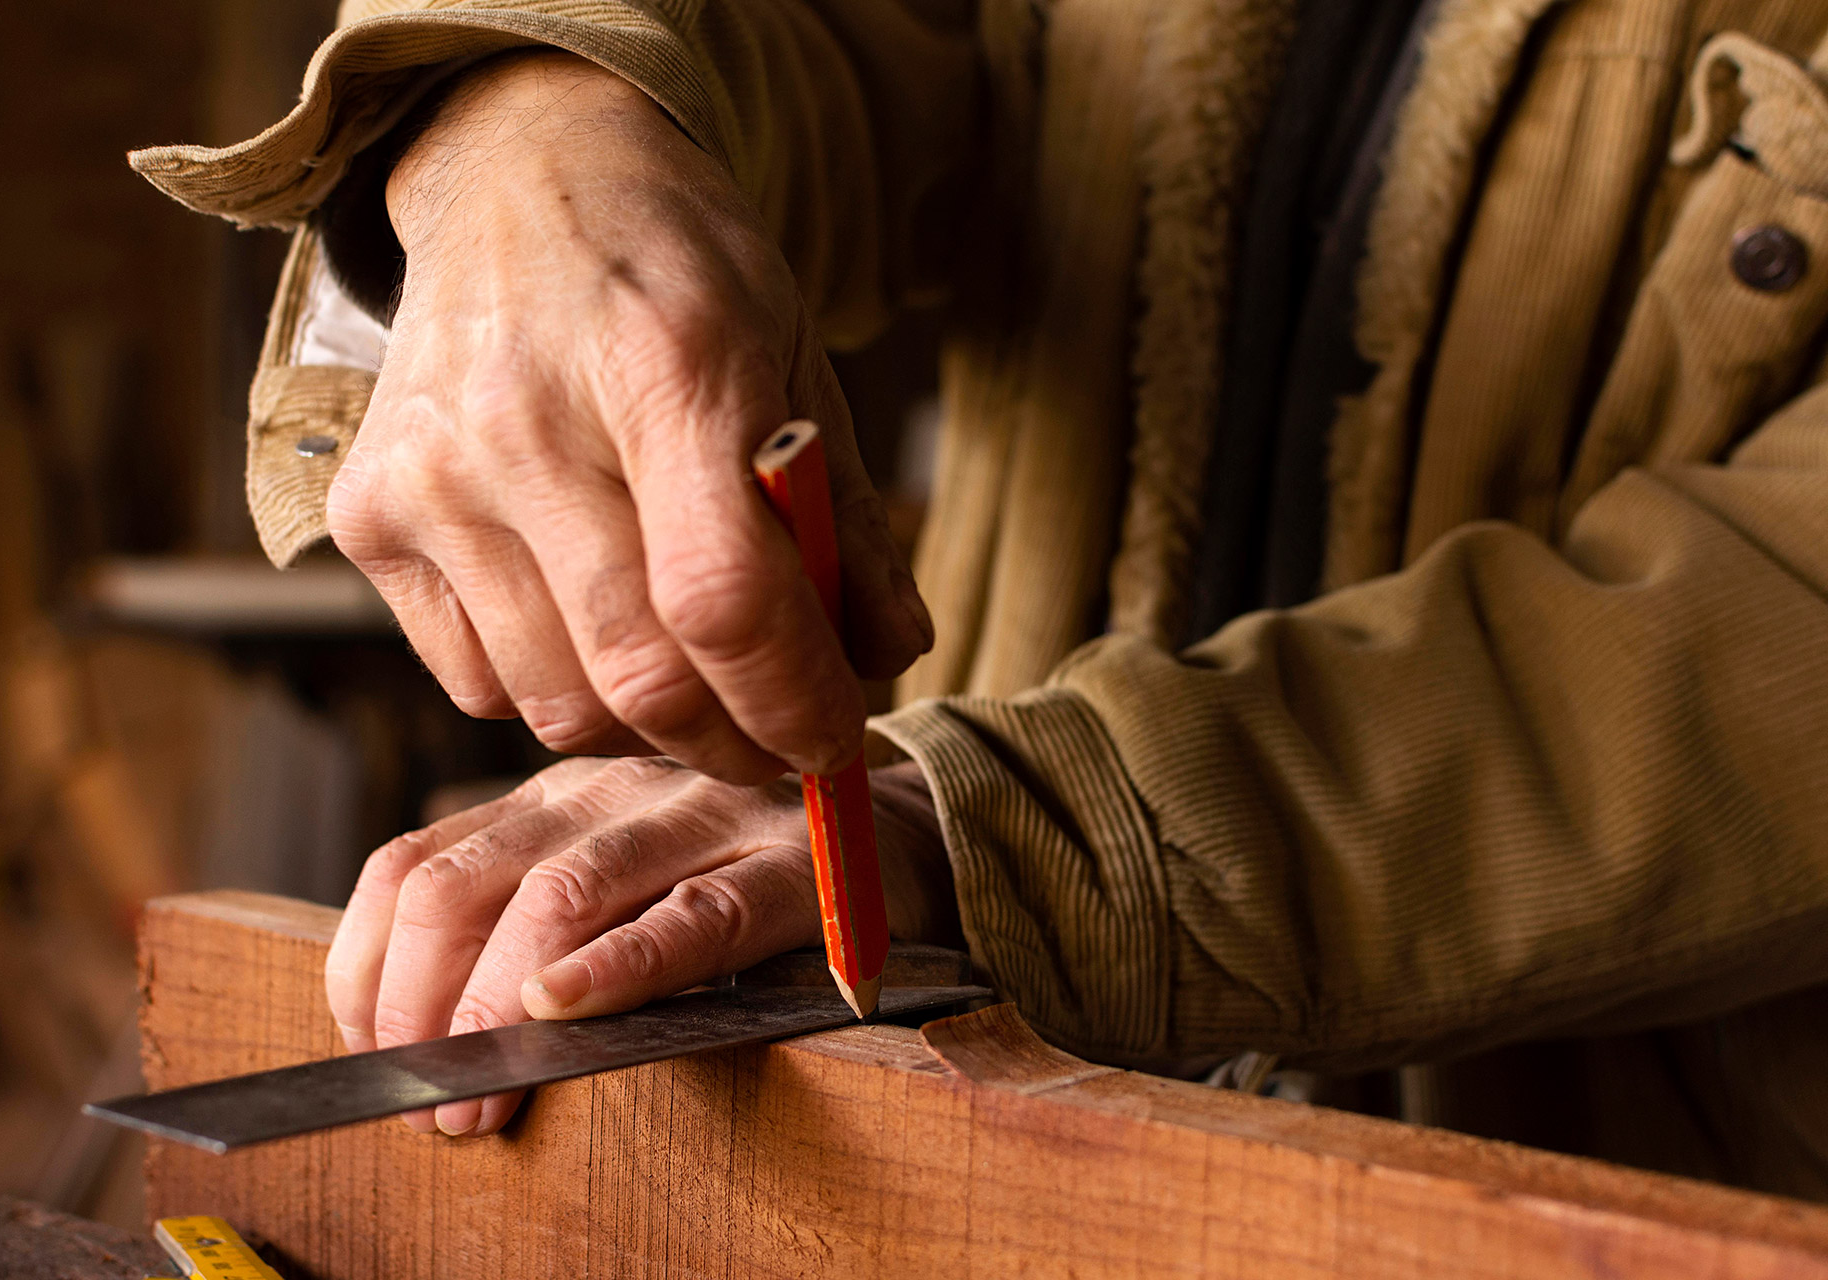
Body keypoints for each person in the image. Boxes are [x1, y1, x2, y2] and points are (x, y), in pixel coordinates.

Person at [134, 0, 1828, 1195]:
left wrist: (1043, 835)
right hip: (993, 1066)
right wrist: (533, 106)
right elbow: (865, 42)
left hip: (1640, 1174)